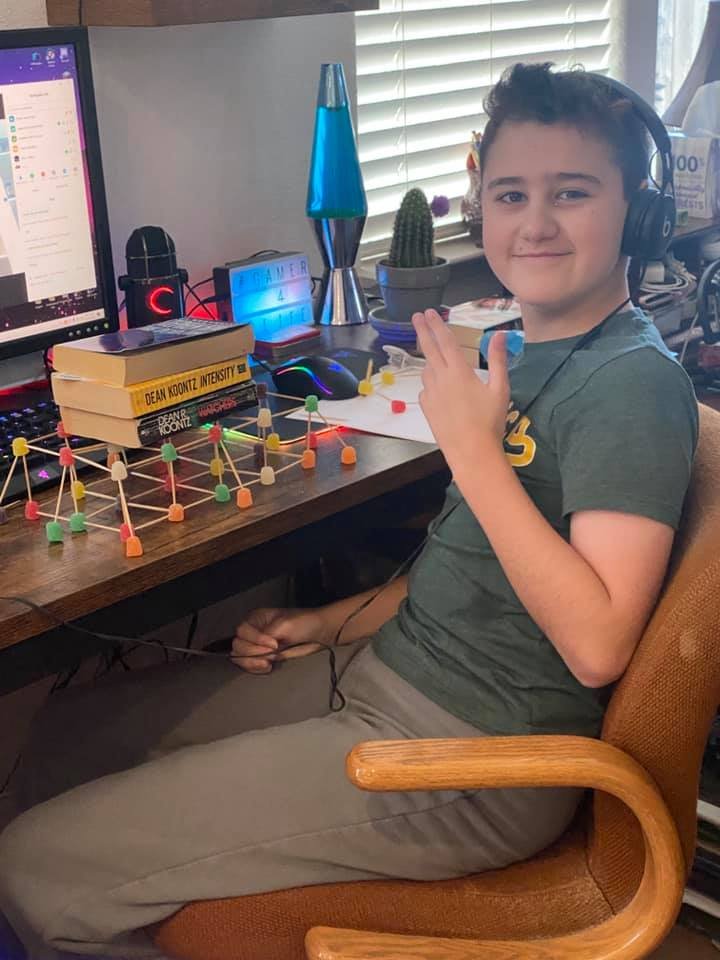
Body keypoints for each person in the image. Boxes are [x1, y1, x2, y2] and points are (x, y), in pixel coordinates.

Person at [0, 62, 698, 959]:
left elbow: (598, 645)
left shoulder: (631, 385)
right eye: (510, 194)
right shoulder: (518, 353)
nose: (535, 222)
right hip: (386, 676)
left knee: (33, 866)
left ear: (638, 215)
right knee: (64, 737)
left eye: (573, 192)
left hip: (475, 758)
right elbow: (480, 578)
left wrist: (474, 453)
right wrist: (326, 621)